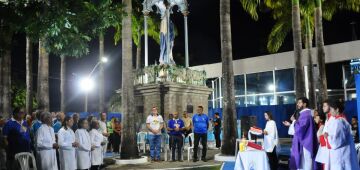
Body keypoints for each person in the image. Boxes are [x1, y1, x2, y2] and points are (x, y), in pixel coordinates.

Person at [316, 100, 360, 170]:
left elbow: (336, 142)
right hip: (341, 154)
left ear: (337, 109)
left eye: (331, 109)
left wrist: (326, 136)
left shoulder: (339, 122)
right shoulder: (339, 120)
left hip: (340, 154)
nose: (330, 111)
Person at [283, 97, 318, 170]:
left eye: (299, 102)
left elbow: (301, 128)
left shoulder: (306, 113)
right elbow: (301, 126)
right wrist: (290, 124)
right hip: (304, 140)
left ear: (304, 104)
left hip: (306, 142)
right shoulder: (304, 113)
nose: (297, 104)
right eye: (297, 102)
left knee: (306, 162)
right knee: (303, 161)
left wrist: (294, 121)